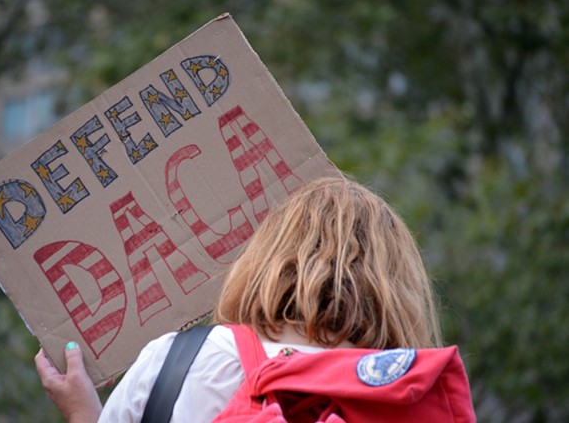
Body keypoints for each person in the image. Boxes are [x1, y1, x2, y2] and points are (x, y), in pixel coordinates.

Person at [35, 176, 472, 422]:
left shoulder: (177, 361)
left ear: (267, 254)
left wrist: (82, 414)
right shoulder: (402, 399)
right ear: (398, 286)